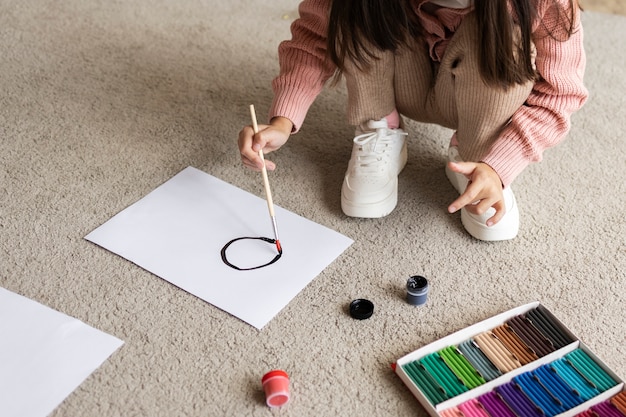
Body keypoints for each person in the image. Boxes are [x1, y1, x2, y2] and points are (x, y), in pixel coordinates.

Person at [237, 0, 588, 241]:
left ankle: (478, 161)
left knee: (511, 35)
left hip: (478, 94)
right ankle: (380, 126)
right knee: (354, 9)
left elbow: (560, 93)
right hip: (399, 77)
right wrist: (284, 118)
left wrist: (501, 164)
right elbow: (316, 36)